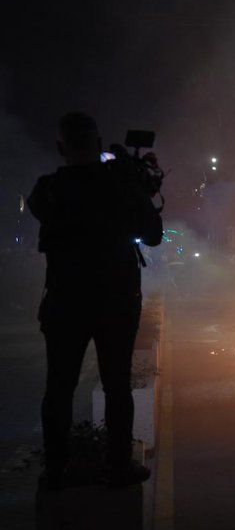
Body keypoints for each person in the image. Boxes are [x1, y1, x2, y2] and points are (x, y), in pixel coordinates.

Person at [28, 112, 163, 489]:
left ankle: (55, 470)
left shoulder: (48, 190)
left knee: (59, 386)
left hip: (64, 302)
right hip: (115, 301)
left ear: (60, 147)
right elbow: (153, 235)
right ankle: (119, 465)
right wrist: (135, 181)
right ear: (99, 144)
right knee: (116, 384)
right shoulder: (120, 183)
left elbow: (43, 207)